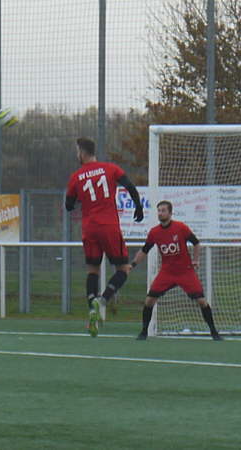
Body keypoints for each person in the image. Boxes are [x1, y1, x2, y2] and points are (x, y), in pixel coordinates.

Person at [65, 137, 144, 337]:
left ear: (82, 153)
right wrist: (138, 206)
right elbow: (130, 186)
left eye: (77, 152)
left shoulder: (76, 176)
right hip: (109, 226)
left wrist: (80, 200)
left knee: (92, 270)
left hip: (89, 228)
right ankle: (103, 299)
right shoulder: (110, 168)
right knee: (124, 268)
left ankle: (92, 309)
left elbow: (68, 205)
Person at [131, 201, 221, 340]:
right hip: (167, 272)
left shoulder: (180, 228)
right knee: (149, 300)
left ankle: (214, 332)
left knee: (202, 301)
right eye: (159, 211)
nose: (160, 213)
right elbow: (144, 250)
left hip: (185, 272)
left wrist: (196, 260)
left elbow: (196, 243)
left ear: (170, 213)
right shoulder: (154, 232)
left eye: (163, 210)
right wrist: (133, 264)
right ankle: (144, 332)